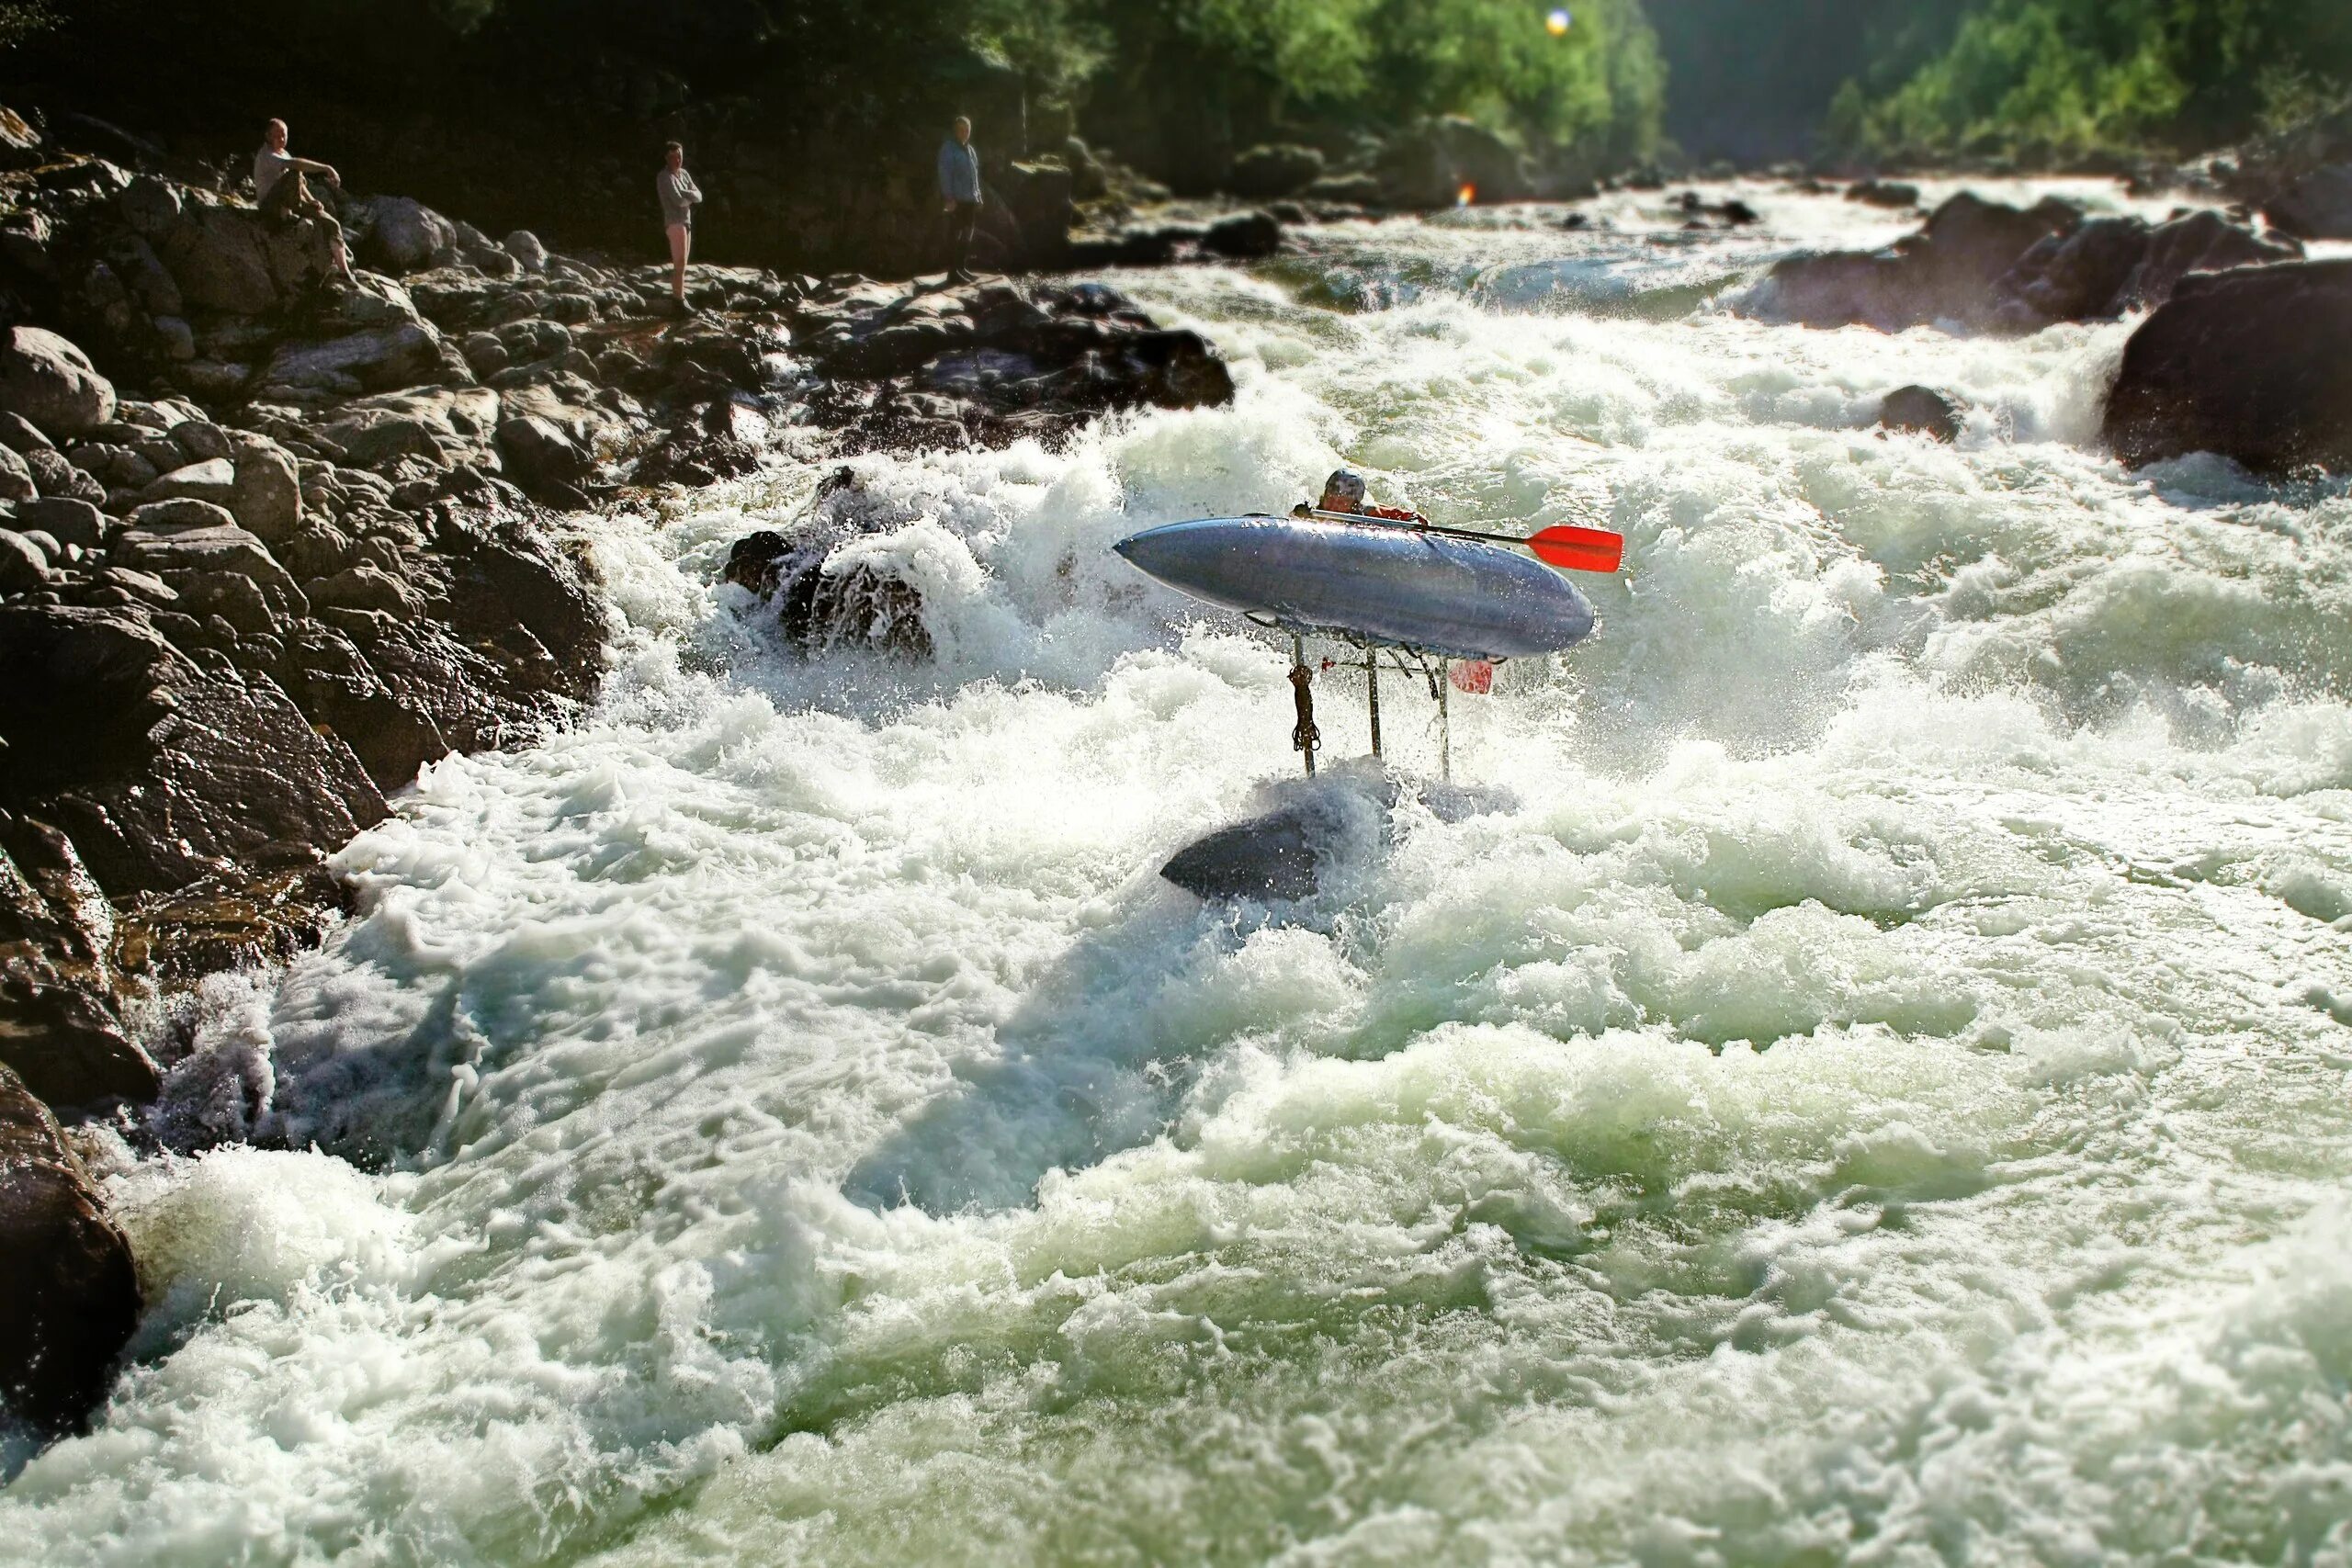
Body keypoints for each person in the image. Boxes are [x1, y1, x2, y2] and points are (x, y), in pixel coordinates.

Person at [254, 118, 354, 286]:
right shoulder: (267, 155)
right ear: (267, 136)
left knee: (332, 224)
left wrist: (312, 200)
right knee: (295, 173)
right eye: (277, 135)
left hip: (290, 203)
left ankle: (344, 271)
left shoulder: (284, 154)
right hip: (270, 208)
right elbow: (296, 168)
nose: (281, 139)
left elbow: (299, 181)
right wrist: (326, 168)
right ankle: (292, 213)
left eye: (284, 135)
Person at [657, 141, 703, 311]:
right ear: (666, 158)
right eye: (673, 157)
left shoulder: (684, 174)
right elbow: (678, 200)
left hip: (686, 221)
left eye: (679, 157)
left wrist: (687, 194)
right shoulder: (664, 177)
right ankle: (678, 300)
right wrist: (689, 196)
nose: (677, 161)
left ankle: (679, 298)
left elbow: (699, 196)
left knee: (683, 263)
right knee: (679, 263)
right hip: (674, 222)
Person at [937, 116, 983, 285]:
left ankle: (962, 268)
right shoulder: (948, 149)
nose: (963, 133)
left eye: (966, 130)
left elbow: (975, 176)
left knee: (967, 233)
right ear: (955, 131)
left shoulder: (970, 150)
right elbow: (944, 175)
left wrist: (978, 196)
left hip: (970, 199)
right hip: (956, 199)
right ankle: (952, 273)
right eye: (960, 129)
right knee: (954, 234)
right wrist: (949, 197)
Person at [1295, 469, 1423, 523]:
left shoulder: (1369, 513)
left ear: (1354, 503)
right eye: (1330, 498)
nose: (1333, 506)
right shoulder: (1310, 510)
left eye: (1342, 502)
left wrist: (1413, 520)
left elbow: (1414, 518)